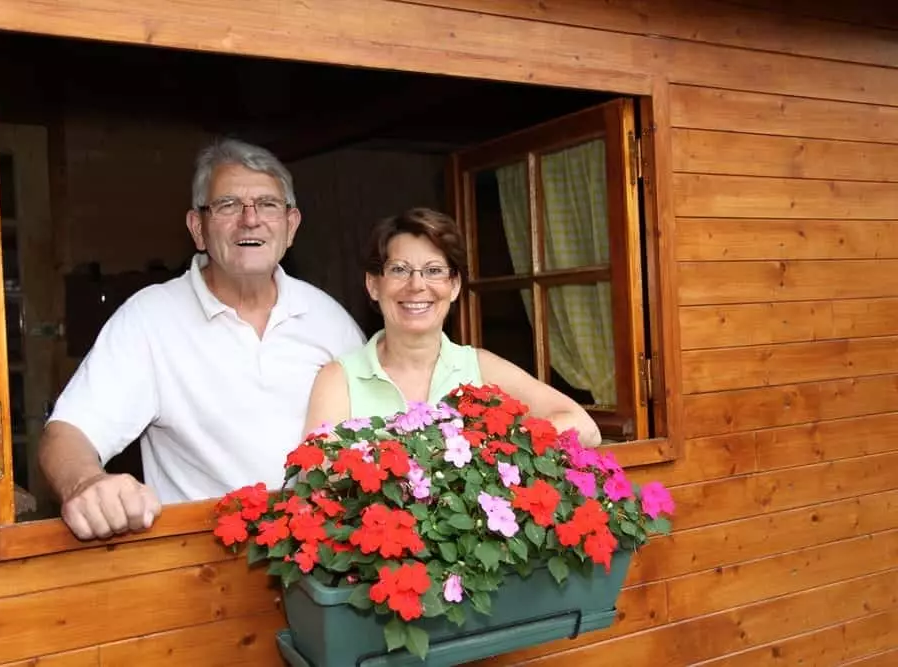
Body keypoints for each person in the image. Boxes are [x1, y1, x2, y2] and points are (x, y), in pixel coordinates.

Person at [40, 138, 366, 540]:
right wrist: (85, 483)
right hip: (200, 565)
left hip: (318, 558)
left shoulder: (329, 319)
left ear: (291, 225)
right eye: (228, 205)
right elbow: (68, 432)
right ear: (198, 228)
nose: (250, 219)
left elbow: (377, 439)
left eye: (267, 204)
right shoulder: (150, 319)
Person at [303, 207, 601, 446]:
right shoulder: (339, 378)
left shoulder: (479, 367)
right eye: (399, 270)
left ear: (455, 285)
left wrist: (493, 449)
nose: (417, 285)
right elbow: (316, 472)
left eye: (434, 271)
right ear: (373, 285)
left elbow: (584, 427)